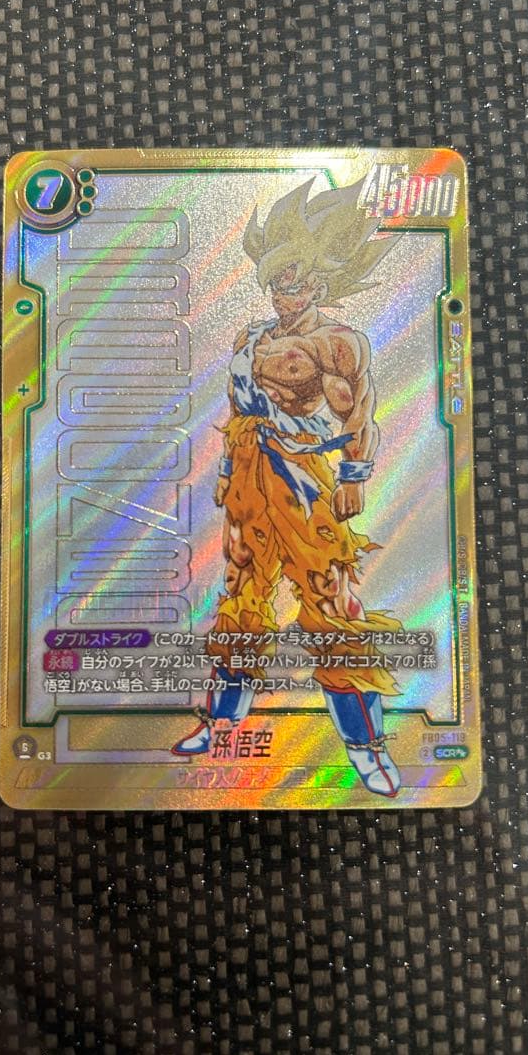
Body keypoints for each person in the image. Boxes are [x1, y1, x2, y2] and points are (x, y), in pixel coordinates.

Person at [172, 177, 404, 797]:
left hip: (304, 476)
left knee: (330, 602)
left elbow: (359, 412)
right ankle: (221, 725)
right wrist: (227, 473)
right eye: (275, 281)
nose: (282, 293)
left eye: (294, 281)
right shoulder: (251, 338)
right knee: (243, 594)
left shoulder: (336, 342)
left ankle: (366, 745)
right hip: (250, 474)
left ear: (318, 284)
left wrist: (353, 475)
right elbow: (237, 410)